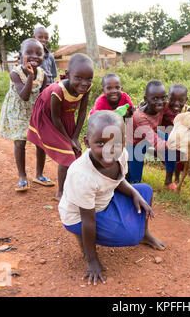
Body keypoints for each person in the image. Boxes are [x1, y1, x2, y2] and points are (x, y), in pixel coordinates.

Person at [58, 110, 165, 285]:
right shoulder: (82, 175)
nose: (109, 150)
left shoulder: (122, 154)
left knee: (144, 190)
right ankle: (83, 241)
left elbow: (116, 180)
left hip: (104, 199)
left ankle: (145, 234)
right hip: (79, 217)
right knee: (130, 236)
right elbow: (88, 221)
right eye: (100, 143)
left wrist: (134, 193)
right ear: (86, 142)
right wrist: (92, 260)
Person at [27, 53, 93, 200]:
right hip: (47, 116)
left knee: (75, 152)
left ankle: (73, 187)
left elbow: (82, 113)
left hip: (66, 117)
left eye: (89, 79)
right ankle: (61, 193)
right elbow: (55, 118)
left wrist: (75, 137)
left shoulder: (86, 88)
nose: (84, 83)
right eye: (78, 78)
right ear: (68, 74)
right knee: (66, 154)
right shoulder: (58, 91)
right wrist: (68, 140)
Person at [0, 38, 51, 192]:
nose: (34, 56)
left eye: (38, 53)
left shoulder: (43, 75)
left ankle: (39, 174)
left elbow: (42, 97)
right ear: (20, 55)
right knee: (20, 142)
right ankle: (22, 176)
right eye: (29, 52)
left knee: (40, 142)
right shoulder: (15, 73)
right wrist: (29, 76)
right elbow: (24, 96)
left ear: (43, 57)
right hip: (18, 111)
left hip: (35, 111)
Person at [126, 80, 177, 188]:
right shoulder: (139, 117)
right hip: (135, 143)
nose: (160, 102)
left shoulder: (164, 106)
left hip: (153, 133)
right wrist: (180, 143)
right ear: (146, 99)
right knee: (134, 181)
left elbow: (176, 118)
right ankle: (125, 166)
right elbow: (157, 144)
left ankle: (168, 181)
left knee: (171, 149)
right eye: (155, 98)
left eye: (163, 98)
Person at [161, 83, 190, 184]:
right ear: (167, 98)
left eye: (181, 100)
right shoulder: (163, 107)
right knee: (171, 155)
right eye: (172, 99)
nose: (176, 103)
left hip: (181, 139)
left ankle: (177, 177)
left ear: (186, 100)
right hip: (166, 138)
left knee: (181, 159)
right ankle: (168, 179)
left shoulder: (188, 110)